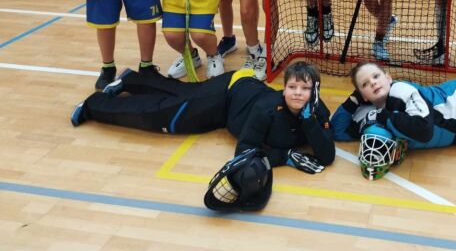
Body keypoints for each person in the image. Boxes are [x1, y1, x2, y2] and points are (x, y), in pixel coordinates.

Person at [70, 61, 335, 173]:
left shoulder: (318, 110)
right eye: (292, 87)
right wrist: (285, 157)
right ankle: (94, 105)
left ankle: (131, 80)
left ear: (315, 91)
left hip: (240, 89)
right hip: (226, 96)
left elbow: (327, 156)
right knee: (164, 115)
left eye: (305, 88)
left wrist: (309, 121)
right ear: (284, 88)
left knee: (184, 94)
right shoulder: (266, 109)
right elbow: (243, 152)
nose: (297, 93)